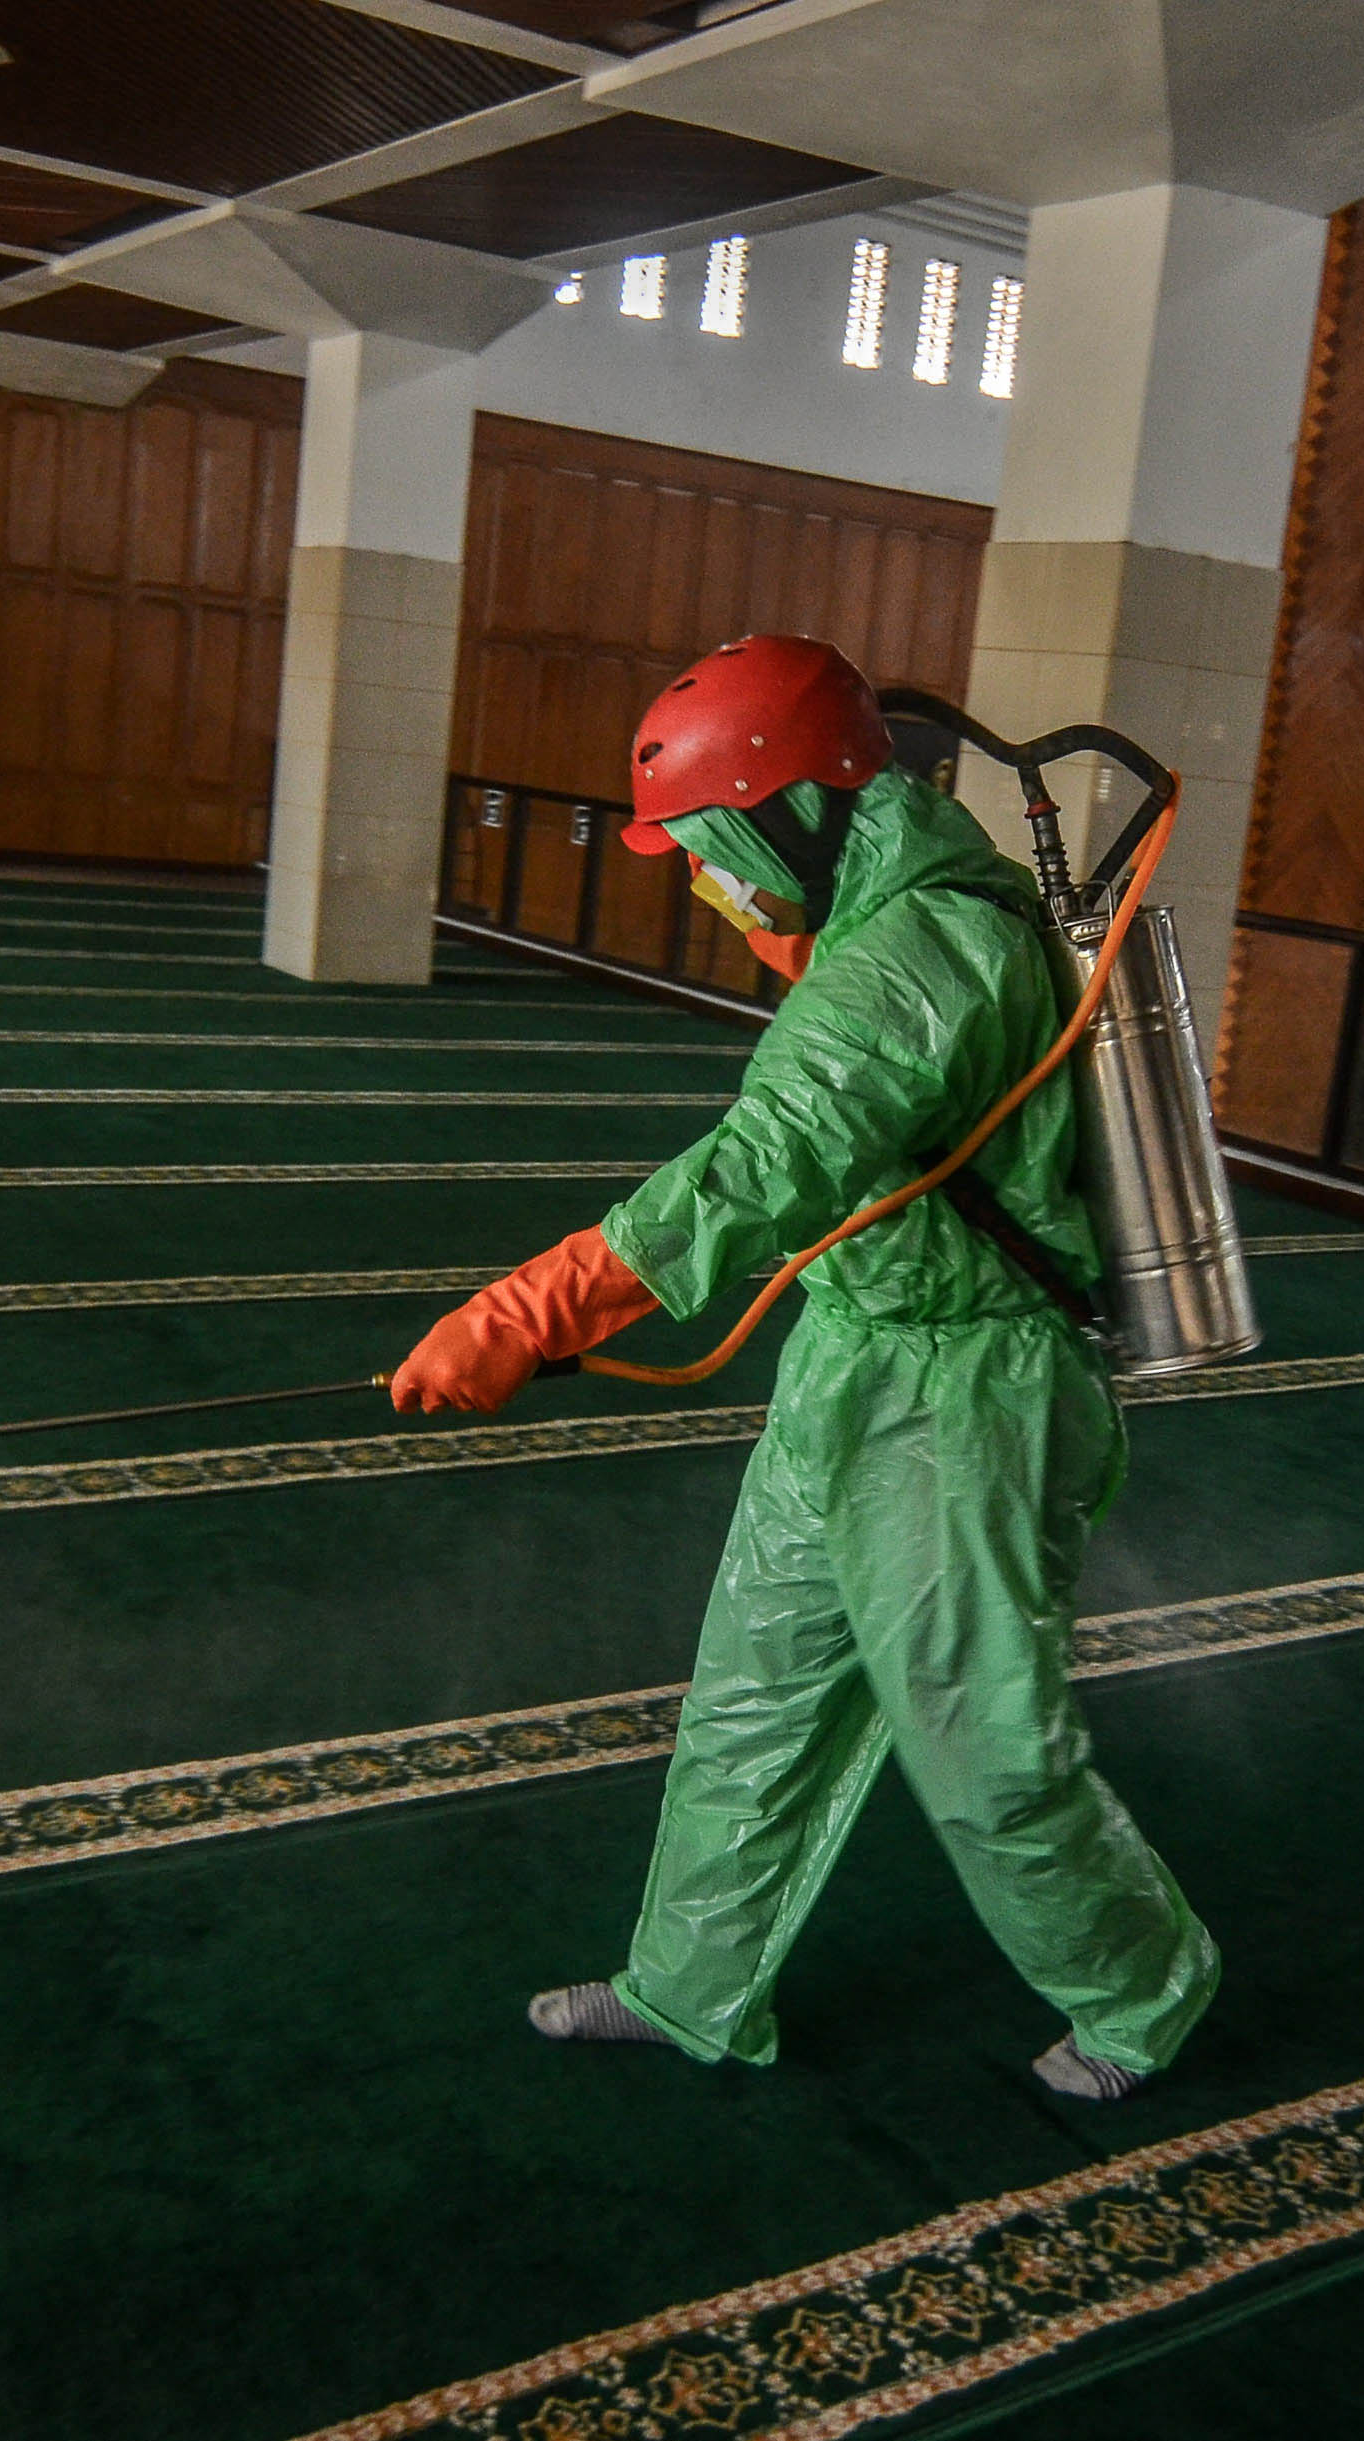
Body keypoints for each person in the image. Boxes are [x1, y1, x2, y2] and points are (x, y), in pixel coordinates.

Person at [387, 633, 1218, 2100]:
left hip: (965, 1396)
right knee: (755, 1693)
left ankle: (1142, 1989)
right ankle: (693, 1987)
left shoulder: (924, 950)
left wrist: (532, 1311)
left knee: (982, 1746)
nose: (704, 880)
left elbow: (763, 1168)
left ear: (799, 812)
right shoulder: (871, 925)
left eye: (712, 848)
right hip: (856, 1358)